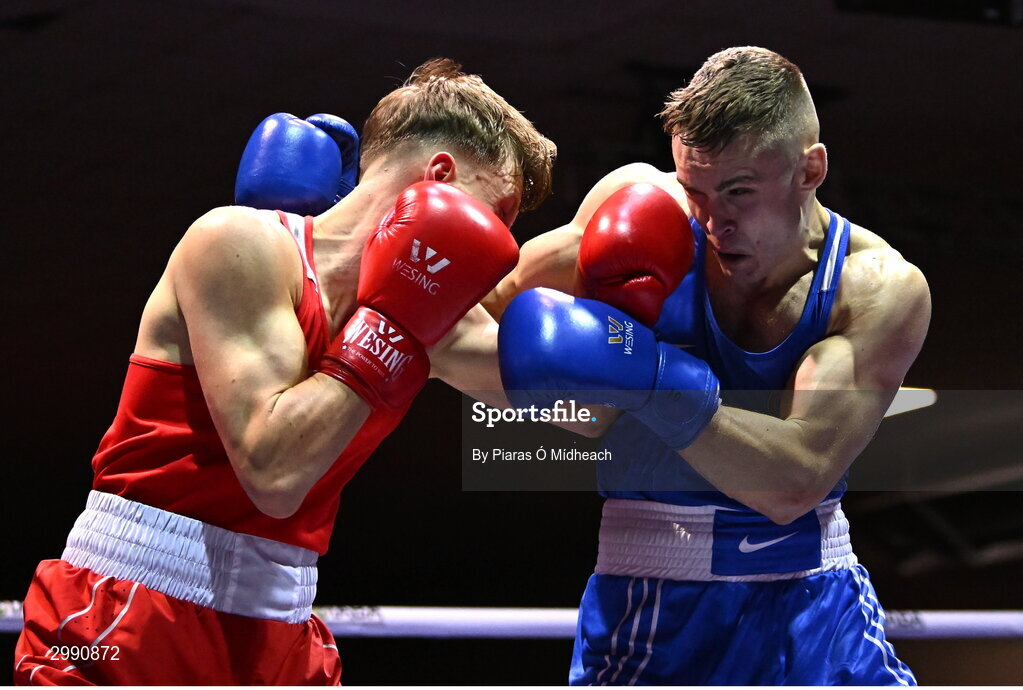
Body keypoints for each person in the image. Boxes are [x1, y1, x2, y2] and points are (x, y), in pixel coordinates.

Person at [14, 58, 556, 685]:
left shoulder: (440, 324)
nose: (498, 246)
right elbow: (272, 472)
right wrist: (392, 320)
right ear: (439, 178)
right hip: (122, 615)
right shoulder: (236, 244)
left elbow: (587, 409)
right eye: (502, 213)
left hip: (279, 629)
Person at [493, 47, 929, 685]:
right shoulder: (644, 212)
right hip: (648, 605)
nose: (713, 220)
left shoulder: (873, 288)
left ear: (810, 169)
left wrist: (651, 379)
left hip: (813, 606)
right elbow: (490, 317)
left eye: (739, 192)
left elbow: (796, 480)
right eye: (694, 188)